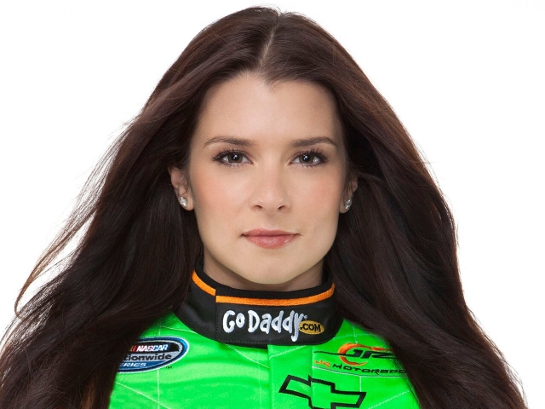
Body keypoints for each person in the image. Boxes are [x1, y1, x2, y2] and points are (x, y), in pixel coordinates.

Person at [0, 6, 526, 409]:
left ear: (350, 182)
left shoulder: (439, 387)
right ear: (181, 180)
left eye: (308, 158)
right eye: (233, 157)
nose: (271, 197)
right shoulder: (85, 383)